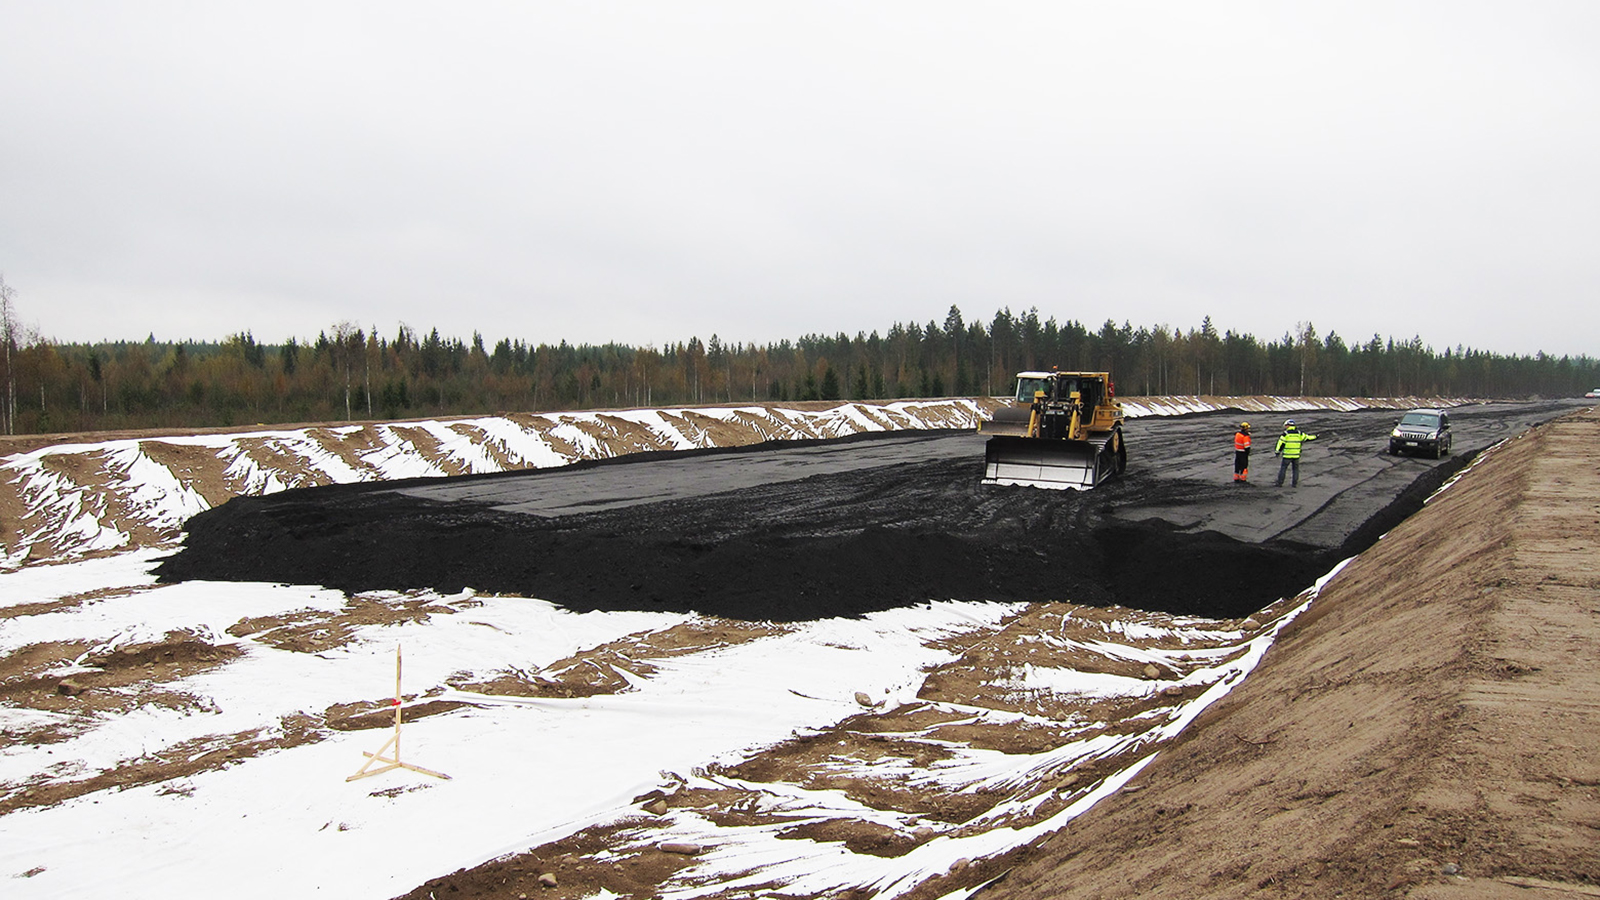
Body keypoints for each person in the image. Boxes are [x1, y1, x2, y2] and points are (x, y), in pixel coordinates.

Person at [1274, 419, 1318, 487]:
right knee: (1295, 470)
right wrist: (1316, 436)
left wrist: (1277, 452)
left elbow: (1280, 444)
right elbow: (1307, 437)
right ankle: (1294, 484)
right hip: (1296, 455)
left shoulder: (1286, 434)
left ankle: (1280, 483)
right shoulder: (1299, 433)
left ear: (1288, 425)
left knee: (1283, 469)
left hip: (1287, 455)